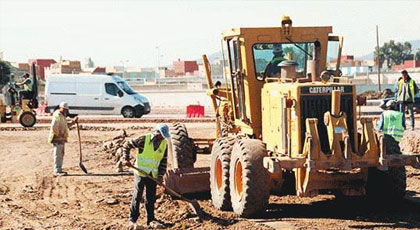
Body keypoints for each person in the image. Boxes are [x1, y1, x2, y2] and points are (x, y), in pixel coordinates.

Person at [122, 124, 170, 230]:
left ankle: (151, 219)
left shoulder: (164, 144)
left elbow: (163, 161)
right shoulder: (144, 139)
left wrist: (160, 176)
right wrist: (126, 159)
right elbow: (127, 145)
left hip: (152, 174)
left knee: (151, 197)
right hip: (140, 172)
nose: (162, 138)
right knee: (137, 195)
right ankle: (132, 219)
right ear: (157, 133)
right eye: (161, 136)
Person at [47, 102, 78, 176]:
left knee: (61, 153)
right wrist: (58, 135)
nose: (65, 111)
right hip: (57, 138)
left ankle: (59, 169)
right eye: (64, 109)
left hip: (61, 138)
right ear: (60, 108)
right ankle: (57, 170)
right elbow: (54, 125)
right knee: (58, 153)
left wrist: (73, 122)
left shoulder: (62, 116)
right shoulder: (57, 115)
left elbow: (66, 125)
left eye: (66, 110)